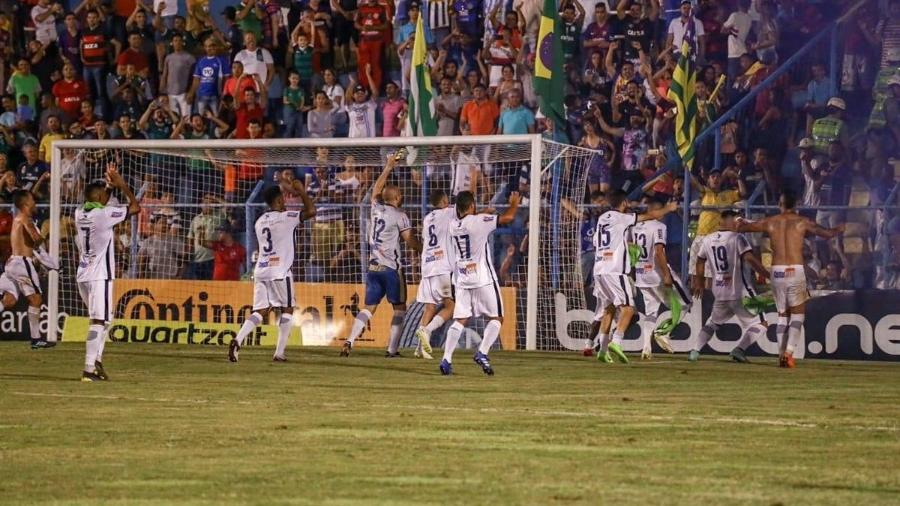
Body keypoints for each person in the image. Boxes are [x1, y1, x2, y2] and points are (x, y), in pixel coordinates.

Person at [736, 191, 844, 368]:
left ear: (780, 204)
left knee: (782, 316)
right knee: (798, 315)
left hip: (777, 271)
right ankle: (789, 353)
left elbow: (744, 228)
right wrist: (838, 229)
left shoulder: (771, 221)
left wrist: (741, 222)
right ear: (796, 205)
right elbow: (826, 234)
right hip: (795, 270)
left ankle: (780, 355)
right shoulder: (802, 222)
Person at [341, 151, 421, 357]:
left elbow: (376, 189)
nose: (402, 196)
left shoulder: (375, 208)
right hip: (391, 270)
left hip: (373, 267)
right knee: (400, 307)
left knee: (369, 307)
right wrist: (423, 248)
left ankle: (349, 340)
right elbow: (409, 240)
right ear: (396, 198)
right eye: (400, 194)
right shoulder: (400, 216)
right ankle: (392, 349)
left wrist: (388, 167)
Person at [228, 176, 316, 363]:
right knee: (288, 308)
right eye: (283, 198)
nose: (285, 201)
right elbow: (311, 211)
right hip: (280, 270)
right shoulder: (287, 218)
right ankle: (279, 353)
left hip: (261, 270)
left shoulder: (259, 221)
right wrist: (301, 193)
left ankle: (238, 339)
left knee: (259, 310)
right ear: (278, 200)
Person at [438, 190, 519, 376]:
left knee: (460, 320)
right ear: (472, 206)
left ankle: (446, 359)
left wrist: (483, 212)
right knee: (497, 318)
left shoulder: (452, 225)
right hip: (483, 278)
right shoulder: (479, 221)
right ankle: (482, 352)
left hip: (463, 279)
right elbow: (508, 217)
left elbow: (470, 221)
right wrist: (514, 203)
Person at [591, 190, 678, 364]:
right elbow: (650, 215)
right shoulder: (622, 218)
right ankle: (616, 342)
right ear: (623, 203)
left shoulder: (602, 219)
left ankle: (602, 349)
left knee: (609, 309)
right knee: (629, 309)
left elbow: (600, 240)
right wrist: (668, 208)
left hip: (599, 269)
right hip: (615, 270)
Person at [74, 165, 141, 381]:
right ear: (100, 198)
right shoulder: (102, 215)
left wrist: (109, 187)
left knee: (106, 319)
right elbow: (135, 207)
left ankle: (97, 361)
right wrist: (122, 185)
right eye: (105, 195)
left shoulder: (79, 212)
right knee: (97, 320)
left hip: (83, 273)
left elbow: (100, 201)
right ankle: (88, 369)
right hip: (99, 275)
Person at [689, 210, 770, 363]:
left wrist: (699, 282)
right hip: (741, 292)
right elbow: (750, 258)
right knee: (762, 323)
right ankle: (739, 350)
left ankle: (694, 350)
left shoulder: (707, 239)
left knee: (712, 323)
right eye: (735, 220)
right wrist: (766, 275)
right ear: (728, 221)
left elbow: (699, 260)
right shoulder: (737, 238)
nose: (737, 223)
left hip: (720, 292)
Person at [632, 197, 691, 359]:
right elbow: (659, 251)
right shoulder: (659, 226)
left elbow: (632, 249)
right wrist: (666, 274)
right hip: (656, 274)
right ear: (658, 212)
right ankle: (663, 332)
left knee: (651, 311)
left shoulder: (636, 227)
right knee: (686, 304)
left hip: (641, 275)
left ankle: (646, 348)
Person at [0, 190, 58, 349]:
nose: (35, 203)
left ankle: (36, 339)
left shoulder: (17, 218)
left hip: (11, 263)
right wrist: (43, 236)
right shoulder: (26, 218)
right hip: (22, 263)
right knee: (36, 300)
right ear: (26, 204)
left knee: (9, 300)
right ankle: (36, 339)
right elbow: (35, 238)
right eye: (32, 200)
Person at [413, 190, 456, 361]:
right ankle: (427, 330)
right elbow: (464, 210)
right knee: (450, 307)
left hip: (427, 266)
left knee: (429, 307)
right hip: (441, 267)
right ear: (445, 200)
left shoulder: (427, 218)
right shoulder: (449, 212)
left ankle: (419, 349)